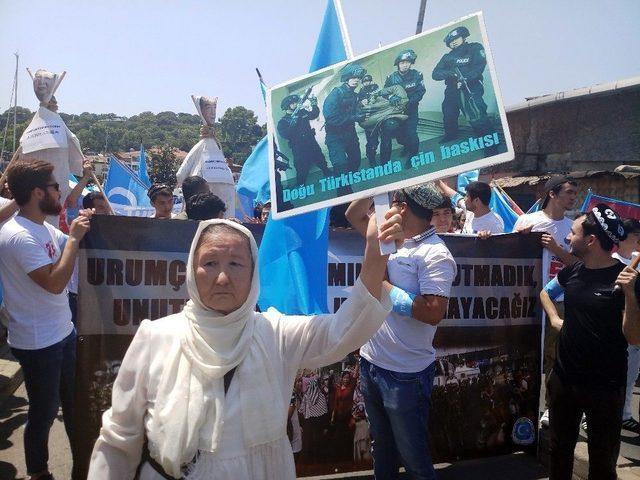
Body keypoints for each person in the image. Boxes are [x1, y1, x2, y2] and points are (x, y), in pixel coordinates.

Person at [88, 206, 404, 479]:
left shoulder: (274, 333)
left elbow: (340, 333)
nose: (222, 278)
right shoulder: (156, 336)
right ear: (191, 270)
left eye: (235, 264)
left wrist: (375, 256)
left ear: (253, 273)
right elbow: (119, 439)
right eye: (210, 263)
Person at [346, 182, 456, 480]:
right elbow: (353, 213)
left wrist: (381, 285)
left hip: (405, 375)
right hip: (372, 363)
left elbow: (432, 313)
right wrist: (379, 181)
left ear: (402, 206)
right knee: (381, 449)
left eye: (393, 201)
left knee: (413, 457)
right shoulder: (389, 236)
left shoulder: (436, 254)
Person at [0, 158, 93, 480]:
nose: (60, 192)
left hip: (61, 332)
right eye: (56, 186)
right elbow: (54, 284)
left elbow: (66, 247)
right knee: (43, 412)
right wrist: (75, 239)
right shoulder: (18, 236)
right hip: (39, 342)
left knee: (72, 404)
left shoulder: (40, 227)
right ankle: (39, 472)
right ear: (39, 193)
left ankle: (81, 464)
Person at [540, 204, 640, 480]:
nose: (567, 239)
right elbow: (545, 294)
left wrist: (630, 294)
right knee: (559, 453)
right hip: (564, 379)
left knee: (602, 462)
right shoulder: (573, 272)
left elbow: (634, 337)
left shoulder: (626, 280)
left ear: (591, 240)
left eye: (572, 233)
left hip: (605, 386)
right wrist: (553, 319)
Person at [514, 175, 579, 427]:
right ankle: (521, 407)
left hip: (559, 302)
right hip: (526, 300)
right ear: (552, 193)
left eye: (575, 193)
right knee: (525, 355)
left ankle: (550, 408)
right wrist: (518, 238)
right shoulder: (528, 221)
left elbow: (578, 265)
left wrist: (556, 248)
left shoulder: (573, 228)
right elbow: (507, 253)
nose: (574, 197)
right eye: (569, 192)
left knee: (555, 358)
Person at [431, 26, 491, 143]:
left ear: (463, 37)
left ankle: (488, 142)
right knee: (448, 113)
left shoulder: (474, 48)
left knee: (476, 113)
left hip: (471, 87)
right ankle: (451, 135)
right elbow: (435, 74)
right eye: (450, 41)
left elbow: (479, 67)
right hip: (452, 89)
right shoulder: (447, 57)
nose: (453, 42)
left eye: (456, 38)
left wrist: (465, 79)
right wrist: (452, 73)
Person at [323, 63, 367, 196]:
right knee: (341, 166)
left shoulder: (354, 95)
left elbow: (356, 111)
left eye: (358, 78)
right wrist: (354, 117)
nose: (356, 80)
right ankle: (345, 196)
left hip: (350, 134)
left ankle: (348, 181)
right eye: (353, 77)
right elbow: (331, 117)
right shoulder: (336, 93)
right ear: (346, 78)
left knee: (356, 161)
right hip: (335, 137)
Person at [614, 218, 640, 433]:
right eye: (635, 236)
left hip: (634, 324)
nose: (638, 240)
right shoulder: (611, 260)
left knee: (630, 374)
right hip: (613, 325)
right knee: (606, 373)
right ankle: (588, 414)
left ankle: (625, 414)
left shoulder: (637, 259)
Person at [380, 49, 426, 164]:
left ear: (411, 63)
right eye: (402, 63)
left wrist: (410, 102)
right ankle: (406, 147)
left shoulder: (417, 75)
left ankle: (413, 157)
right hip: (396, 112)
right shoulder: (391, 78)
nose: (405, 65)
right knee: (399, 136)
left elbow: (421, 91)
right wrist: (391, 97)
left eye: (407, 62)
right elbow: (384, 92)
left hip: (411, 110)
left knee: (411, 133)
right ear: (398, 64)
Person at [277, 93, 331, 186]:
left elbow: (314, 115)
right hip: (299, 148)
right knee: (301, 168)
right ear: (287, 106)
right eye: (293, 103)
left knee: (321, 160)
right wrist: (293, 123)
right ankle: (301, 185)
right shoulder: (283, 122)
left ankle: (328, 175)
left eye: (296, 102)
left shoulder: (302, 112)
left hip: (311, 143)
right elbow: (285, 135)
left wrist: (314, 104)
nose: (296, 104)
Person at [358, 74, 381, 165]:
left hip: (380, 115)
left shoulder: (376, 87)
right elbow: (359, 106)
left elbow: (381, 96)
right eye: (365, 82)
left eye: (368, 81)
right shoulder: (361, 92)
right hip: (369, 119)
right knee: (372, 141)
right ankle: (371, 157)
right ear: (362, 83)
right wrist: (362, 103)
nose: (367, 83)